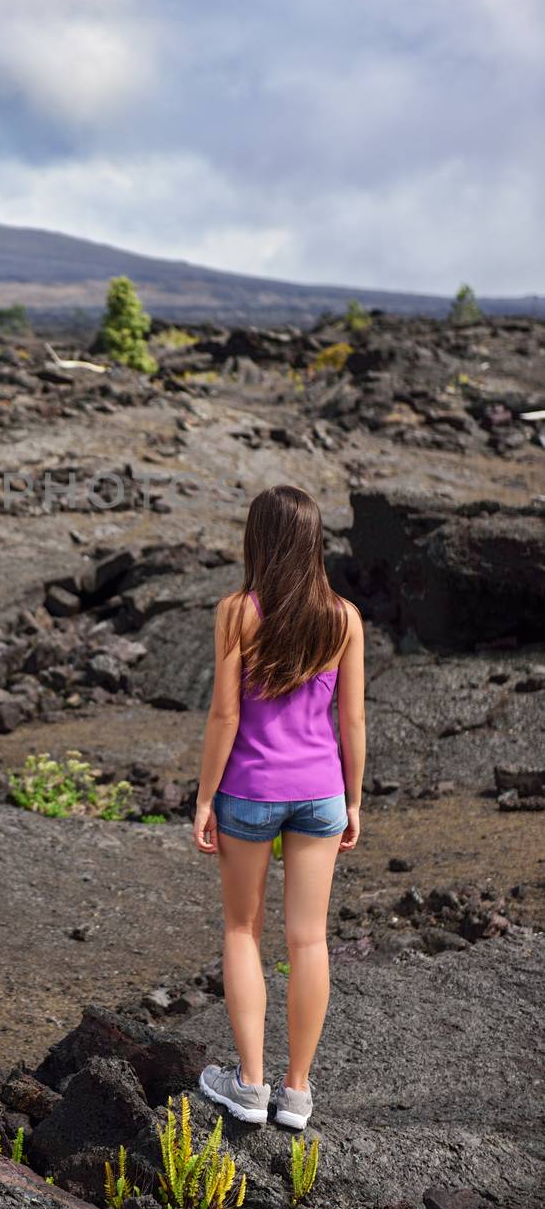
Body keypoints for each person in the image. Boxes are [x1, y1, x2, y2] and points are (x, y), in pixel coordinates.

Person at [193, 483, 365, 1129]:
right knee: (309, 938)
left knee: (242, 931)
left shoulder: (237, 612)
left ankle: (249, 1086)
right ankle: (296, 1094)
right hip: (320, 794)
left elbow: (224, 714)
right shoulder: (343, 618)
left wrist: (205, 796)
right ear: (314, 541)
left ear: (257, 540)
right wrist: (354, 799)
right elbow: (352, 722)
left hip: (249, 794)